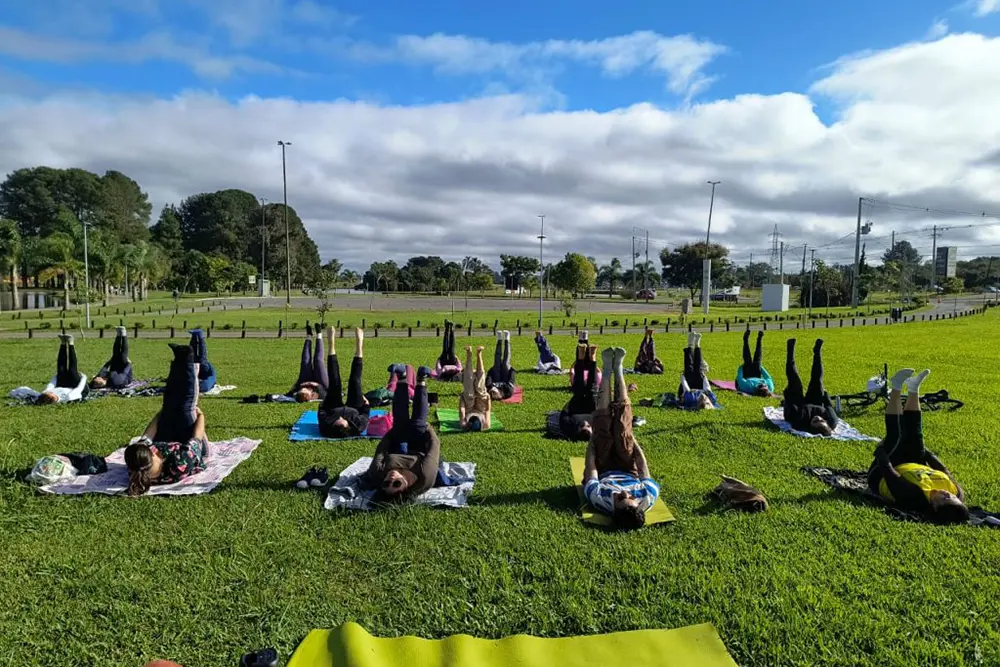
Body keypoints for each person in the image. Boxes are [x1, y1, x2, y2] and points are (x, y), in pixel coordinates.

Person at [868, 368, 968, 523]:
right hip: (915, 464)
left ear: (934, 506)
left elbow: (888, 471)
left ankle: (896, 387)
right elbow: (944, 470)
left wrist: (881, 451)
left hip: (886, 469)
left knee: (895, 436)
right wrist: (925, 452)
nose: (948, 494)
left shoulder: (914, 497)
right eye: (952, 497)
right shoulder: (956, 492)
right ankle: (914, 388)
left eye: (945, 498)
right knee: (916, 434)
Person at [582, 346, 660, 530]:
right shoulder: (648, 497)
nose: (625, 493)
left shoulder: (599, 500)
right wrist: (633, 440)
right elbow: (642, 466)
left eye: (620, 498)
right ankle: (618, 368)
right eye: (631, 498)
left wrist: (592, 444)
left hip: (605, 466)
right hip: (627, 467)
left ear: (613, 509)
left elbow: (591, 471)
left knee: (602, 422)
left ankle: (607, 370)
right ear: (639, 503)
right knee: (623, 426)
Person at [124, 343, 209, 496]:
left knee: (169, 404)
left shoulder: (137, 465)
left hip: (169, 442)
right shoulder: (180, 463)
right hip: (188, 444)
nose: (152, 447)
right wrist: (201, 416)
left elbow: (147, 436)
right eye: (152, 449)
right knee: (186, 406)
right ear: (153, 456)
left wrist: (161, 414)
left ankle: (178, 359)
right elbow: (196, 438)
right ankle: (186, 358)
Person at [362, 363, 440, 501]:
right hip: (420, 445)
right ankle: (421, 380)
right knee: (418, 425)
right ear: (407, 487)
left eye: (386, 484)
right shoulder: (425, 476)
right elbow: (434, 447)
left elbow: (382, 447)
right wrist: (429, 429)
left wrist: (393, 431)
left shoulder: (377, 473)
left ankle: (402, 376)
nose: (391, 479)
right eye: (396, 484)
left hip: (398, 444)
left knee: (399, 423)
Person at [318, 327, 371, 438]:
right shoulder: (359, 426)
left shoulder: (326, 426)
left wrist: (323, 404)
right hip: (355, 407)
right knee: (355, 382)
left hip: (333, 407)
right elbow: (365, 415)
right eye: (342, 420)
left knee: (334, 381)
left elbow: (321, 414)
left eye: (337, 420)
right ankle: (359, 344)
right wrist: (366, 405)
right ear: (348, 426)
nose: (340, 418)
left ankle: (331, 342)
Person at [783, 338, 838, 435]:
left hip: (798, 407)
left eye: (815, 422)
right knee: (817, 380)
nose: (817, 418)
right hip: (815, 402)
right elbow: (829, 405)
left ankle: (790, 350)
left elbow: (792, 406)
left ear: (810, 426)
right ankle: (817, 352)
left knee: (794, 380)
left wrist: (789, 395)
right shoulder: (832, 421)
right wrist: (824, 394)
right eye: (821, 420)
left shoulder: (799, 422)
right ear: (826, 422)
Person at [559, 343, 599, 441]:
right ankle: (592, 358)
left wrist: (571, 401)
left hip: (576, 407)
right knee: (592, 389)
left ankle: (581, 357)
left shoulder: (568, 428)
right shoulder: (598, 428)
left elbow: (564, 413)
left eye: (582, 425)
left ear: (578, 429)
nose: (585, 423)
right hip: (592, 408)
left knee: (579, 389)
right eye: (588, 426)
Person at [36, 335, 88, 404]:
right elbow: (79, 388)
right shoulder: (69, 397)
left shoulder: (45, 393)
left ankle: (63, 343)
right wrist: (84, 377)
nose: (50, 392)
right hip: (76, 387)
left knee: (61, 370)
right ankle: (71, 343)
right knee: (72, 371)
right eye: (51, 393)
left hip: (63, 384)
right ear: (53, 396)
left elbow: (51, 385)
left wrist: (56, 376)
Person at [287, 323, 329, 402]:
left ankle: (309, 336)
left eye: (302, 389)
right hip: (321, 383)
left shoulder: (297, 392)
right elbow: (324, 391)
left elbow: (288, 394)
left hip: (305, 379)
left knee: (305, 361)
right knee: (318, 361)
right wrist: (314, 385)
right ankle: (319, 335)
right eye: (305, 390)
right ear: (311, 394)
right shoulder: (320, 395)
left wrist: (302, 385)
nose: (304, 388)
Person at [678, 333, 716, 410]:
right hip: (698, 384)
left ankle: (690, 344)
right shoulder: (711, 398)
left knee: (689, 368)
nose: (704, 398)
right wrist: (703, 375)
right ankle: (697, 345)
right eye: (706, 400)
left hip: (688, 386)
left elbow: (685, 387)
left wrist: (683, 376)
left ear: (699, 402)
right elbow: (706, 385)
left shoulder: (690, 398)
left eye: (703, 400)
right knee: (698, 369)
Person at [459, 345, 492, 431]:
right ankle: (479, 354)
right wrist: (488, 398)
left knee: (469, 382)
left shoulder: (464, 424)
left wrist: (462, 399)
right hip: (481, 409)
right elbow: (488, 410)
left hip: (469, 409)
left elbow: (462, 410)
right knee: (480, 385)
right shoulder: (486, 424)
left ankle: (469, 354)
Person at [737, 329, 774, 397]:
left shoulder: (748, 387)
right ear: (767, 388)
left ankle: (745, 339)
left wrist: (741, 368)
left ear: (757, 388)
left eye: (760, 385)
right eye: (764, 385)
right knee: (758, 360)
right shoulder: (770, 387)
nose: (762, 384)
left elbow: (740, 378)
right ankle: (759, 339)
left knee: (747, 360)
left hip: (746, 376)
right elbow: (768, 377)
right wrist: (761, 367)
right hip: (757, 374)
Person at [486, 330, 518, 400]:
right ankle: (507, 340)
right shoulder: (508, 392)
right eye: (494, 392)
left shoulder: (489, 388)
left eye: (491, 392)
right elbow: (511, 380)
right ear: (499, 394)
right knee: (506, 361)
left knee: (497, 359)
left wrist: (490, 371)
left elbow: (488, 379)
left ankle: (499, 340)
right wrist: (512, 371)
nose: (493, 391)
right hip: (506, 376)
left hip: (496, 376)